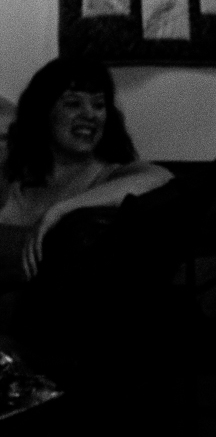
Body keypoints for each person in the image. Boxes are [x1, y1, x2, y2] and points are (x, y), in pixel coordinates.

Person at [0, 57, 171, 284]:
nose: (90, 114)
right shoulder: (12, 172)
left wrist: (61, 210)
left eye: (99, 105)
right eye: (73, 104)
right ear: (43, 112)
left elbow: (161, 176)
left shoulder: (109, 176)